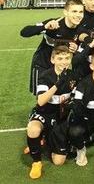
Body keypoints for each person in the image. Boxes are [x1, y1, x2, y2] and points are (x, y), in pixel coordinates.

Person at [26, 46, 77, 179]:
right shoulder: (45, 76)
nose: (64, 62)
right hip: (44, 113)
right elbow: (41, 101)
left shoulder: (72, 76)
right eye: (60, 58)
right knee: (33, 129)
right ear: (52, 59)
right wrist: (57, 85)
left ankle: (42, 140)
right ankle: (36, 162)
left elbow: (74, 97)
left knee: (58, 162)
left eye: (67, 58)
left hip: (61, 117)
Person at [20, 0, 83, 94]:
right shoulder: (54, 23)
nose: (78, 15)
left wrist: (77, 49)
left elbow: (82, 51)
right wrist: (44, 27)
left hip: (61, 65)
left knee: (58, 93)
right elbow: (24, 32)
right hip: (42, 64)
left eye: (80, 12)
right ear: (65, 12)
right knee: (41, 95)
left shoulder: (80, 29)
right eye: (74, 11)